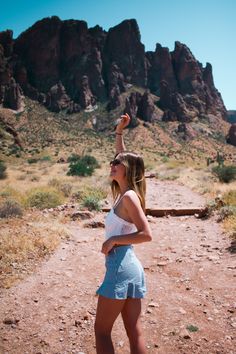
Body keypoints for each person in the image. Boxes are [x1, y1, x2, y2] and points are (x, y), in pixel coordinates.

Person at [94, 113, 152, 354]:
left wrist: (113, 239)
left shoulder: (128, 197)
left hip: (120, 266)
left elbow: (146, 234)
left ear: (126, 170)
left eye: (116, 164)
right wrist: (119, 131)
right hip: (130, 266)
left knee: (102, 331)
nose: (112, 165)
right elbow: (124, 156)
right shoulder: (127, 193)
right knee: (133, 330)